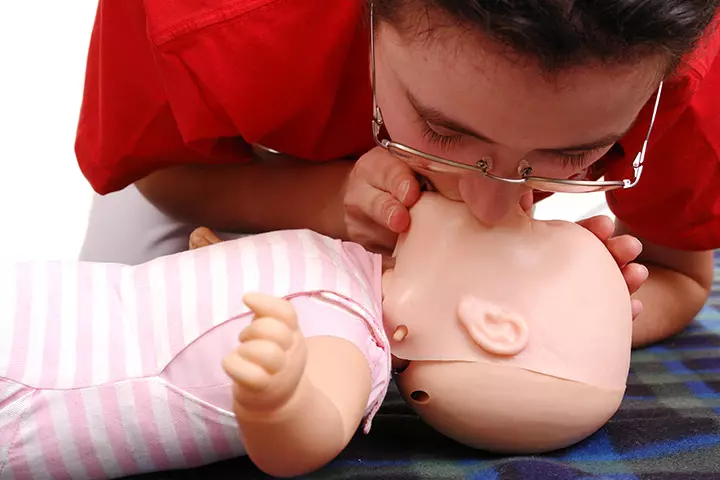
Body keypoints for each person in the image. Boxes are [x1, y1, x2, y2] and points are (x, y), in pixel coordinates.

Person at [74, 0, 719, 347]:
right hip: (228, 173)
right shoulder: (204, 18)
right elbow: (159, 176)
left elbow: (684, 278)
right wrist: (327, 201)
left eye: (575, 153)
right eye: (443, 130)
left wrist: (591, 312)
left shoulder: (693, 84)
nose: (493, 207)